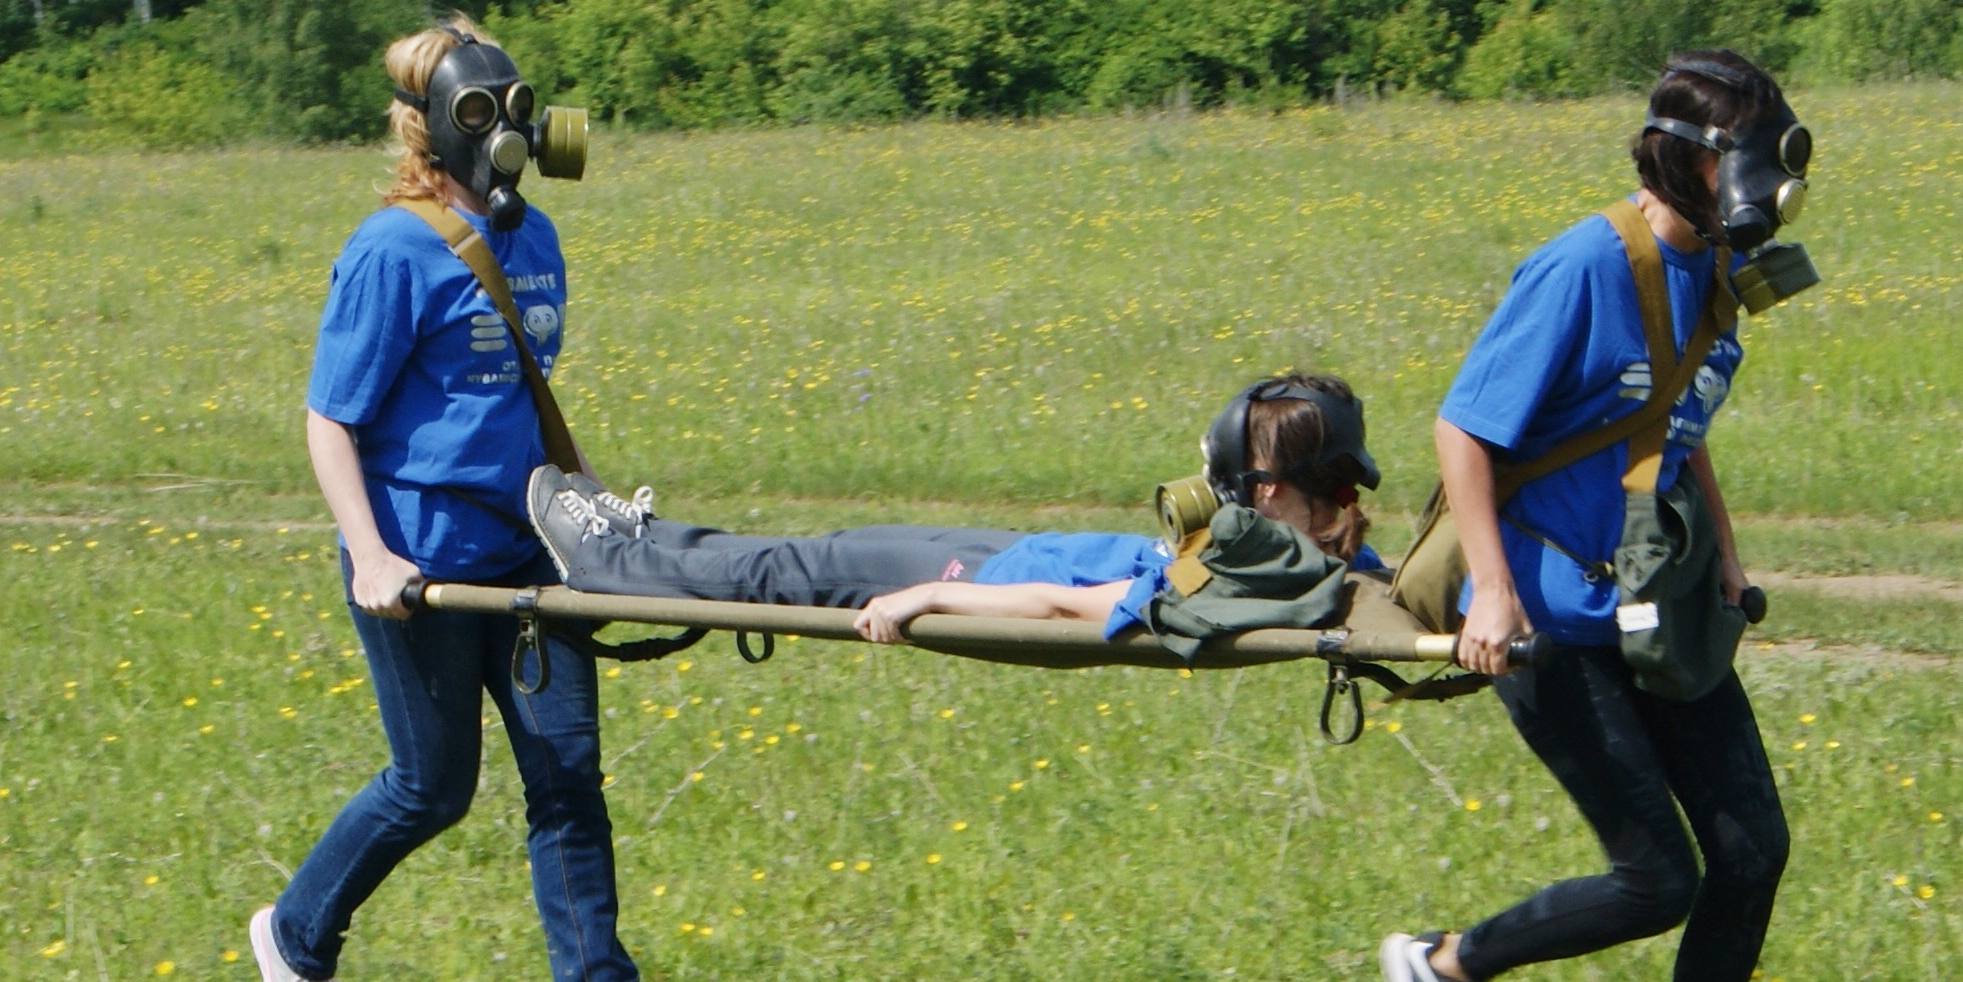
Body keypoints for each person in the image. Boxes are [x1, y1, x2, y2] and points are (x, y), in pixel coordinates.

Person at [247, 19, 705, 982]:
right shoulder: (391, 249)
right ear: (435, 131)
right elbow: (329, 419)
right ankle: (297, 936)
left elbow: (525, 400)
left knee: (566, 778)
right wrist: (368, 554)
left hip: (528, 550)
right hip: (420, 564)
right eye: (483, 113)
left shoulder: (535, 236)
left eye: (518, 107)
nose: (511, 130)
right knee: (430, 788)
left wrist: (593, 512)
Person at [1377, 50, 1804, 982]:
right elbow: (1462, 430)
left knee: (1752, 847)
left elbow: (1677, 418)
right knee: (1655, 878)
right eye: (1759, 156)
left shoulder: (1712, 272)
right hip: (1548, 620)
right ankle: (1443, 967)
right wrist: (1496, 595)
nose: (1778, 181)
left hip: (1654, 598)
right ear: (1699, 164)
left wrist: (1723, 554)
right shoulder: (1581, 268)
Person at [524, 374, 1392, 643]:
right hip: (1023, 549)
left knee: (795, 569)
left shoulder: (1238, 578)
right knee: (805, 550)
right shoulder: (1320, 552)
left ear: (1271, 492)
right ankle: (638, 535)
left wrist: (928, 599)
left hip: (989, 576)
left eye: (1227, 478)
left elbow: (1070, 610)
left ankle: (611, 561)